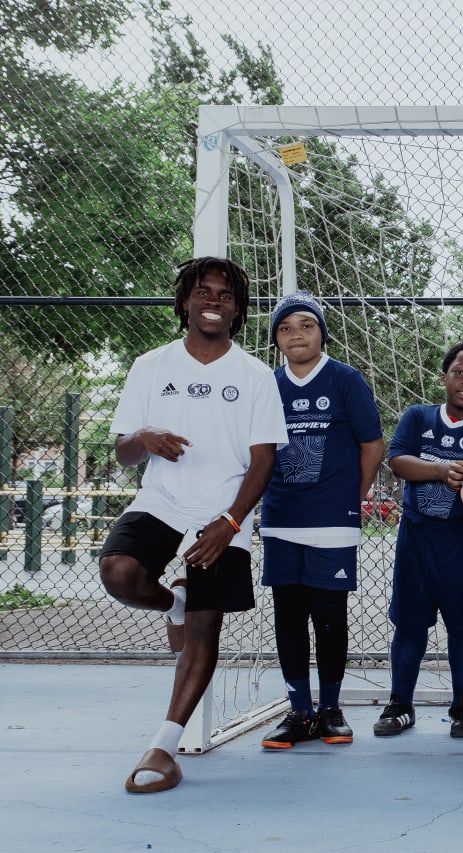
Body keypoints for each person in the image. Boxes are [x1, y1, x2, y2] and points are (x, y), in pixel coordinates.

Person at [99, 257, 287, 793]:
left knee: (206, 628)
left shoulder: (253, 376)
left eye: (225, 295)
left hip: (223, 514)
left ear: (237, 309)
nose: (213, 301)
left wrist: (230, 522)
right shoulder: (151, 366)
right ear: (184, 300)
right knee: (118, 573)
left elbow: (263, 462)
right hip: (163, 503)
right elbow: (123, 454)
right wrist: (146, 437)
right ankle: (171, 601)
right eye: (203, 292)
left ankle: (164, 746)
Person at [258, 291, 384, 749]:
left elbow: (373, 445)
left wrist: (350, 497)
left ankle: (330, 709)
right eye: (286, 327)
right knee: (288, 617)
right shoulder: (266, 384)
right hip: (280, 518)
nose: (296, 334)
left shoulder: (345, 380)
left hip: (331, 519)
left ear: (322, 333)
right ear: (276, 338)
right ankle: (298, 711)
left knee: (329, 616)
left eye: (306, 325)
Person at [374, 341, 463, 739]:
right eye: (460, 372)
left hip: (462, 542)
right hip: (417, 537)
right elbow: (398, 460)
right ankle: (400, 703)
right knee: (410, 625)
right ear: (443, 377)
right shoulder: (418, 416)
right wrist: (441, 468)